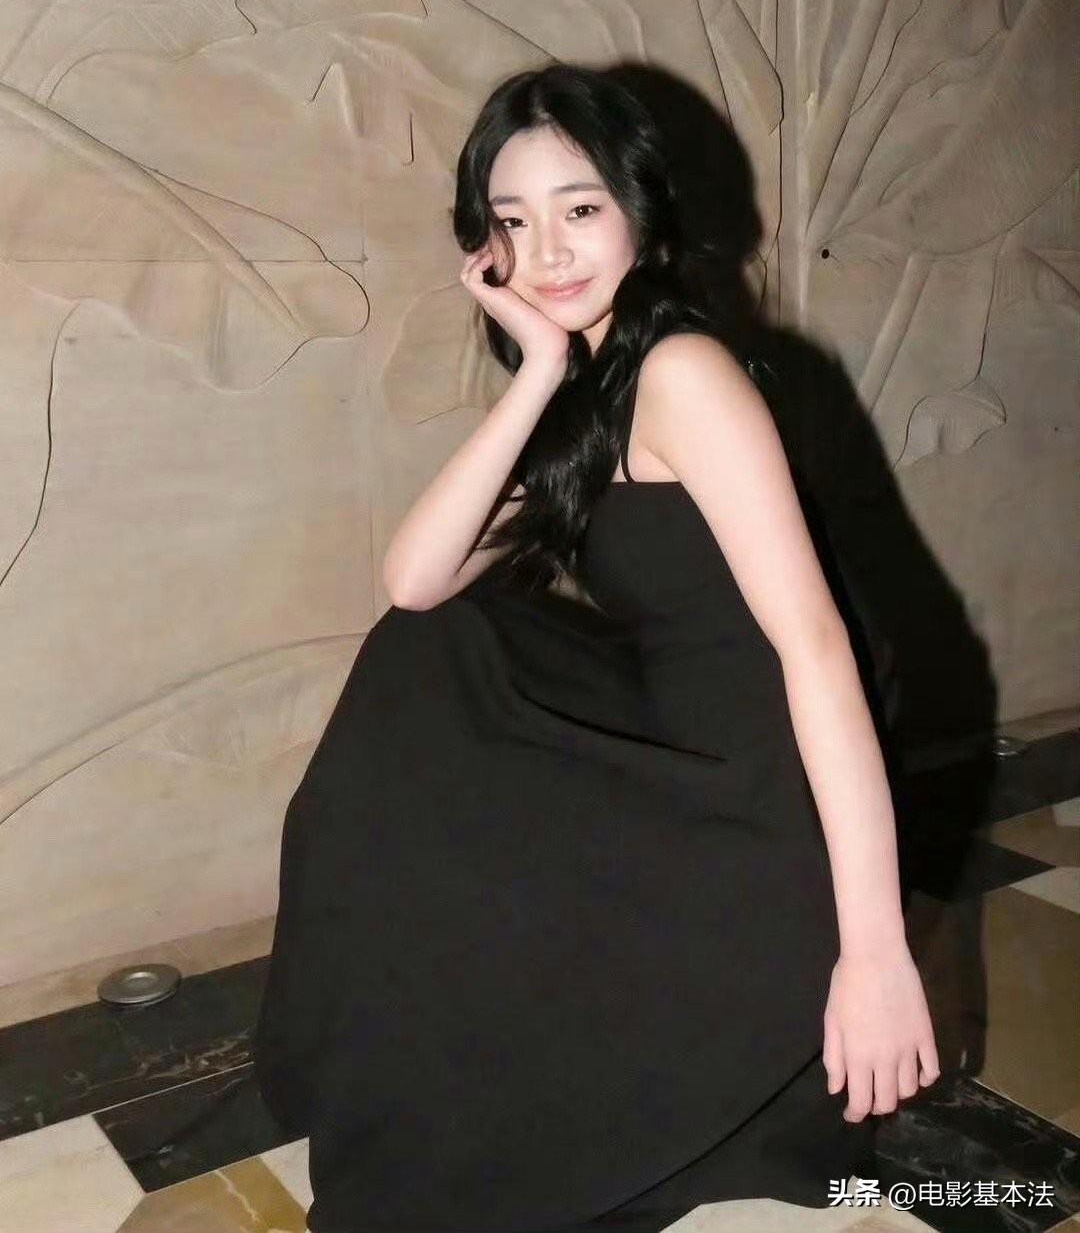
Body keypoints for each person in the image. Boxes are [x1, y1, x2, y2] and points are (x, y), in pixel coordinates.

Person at [254, 62, 940, 1233]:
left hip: (762, 795)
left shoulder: (683, 372)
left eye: (579, 208)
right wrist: (535, 372)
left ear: (639, 206)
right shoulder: (592, 381)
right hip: (676, 737)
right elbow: (416, 581)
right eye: (512, 222)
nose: (550, 251)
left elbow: (818, 650)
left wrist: (873, 950)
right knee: (431, 656)